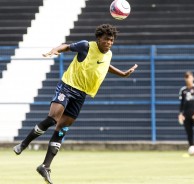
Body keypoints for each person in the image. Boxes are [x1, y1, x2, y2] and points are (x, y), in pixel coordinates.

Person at [13, 24, 138, 184]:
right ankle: (24, 144)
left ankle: (45, 166)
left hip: (81, 94)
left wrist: (122, 74)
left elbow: (105, 65)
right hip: (68, 86)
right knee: (52, 119)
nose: (109, 42)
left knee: (62, 129)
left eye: (111, 40)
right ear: (99, 39)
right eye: (106, 39)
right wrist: (55, 50)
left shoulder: (108, 54)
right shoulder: (86, 46)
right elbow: (67, 46)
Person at [178, 71, 194, 155]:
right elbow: (182, 103)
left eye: (189, 77)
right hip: (186, 115)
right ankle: (192, 149)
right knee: (189, 133)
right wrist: (181, 114)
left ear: (193, 78)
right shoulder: (183, 90)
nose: (188, 79)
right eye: (186, 77)